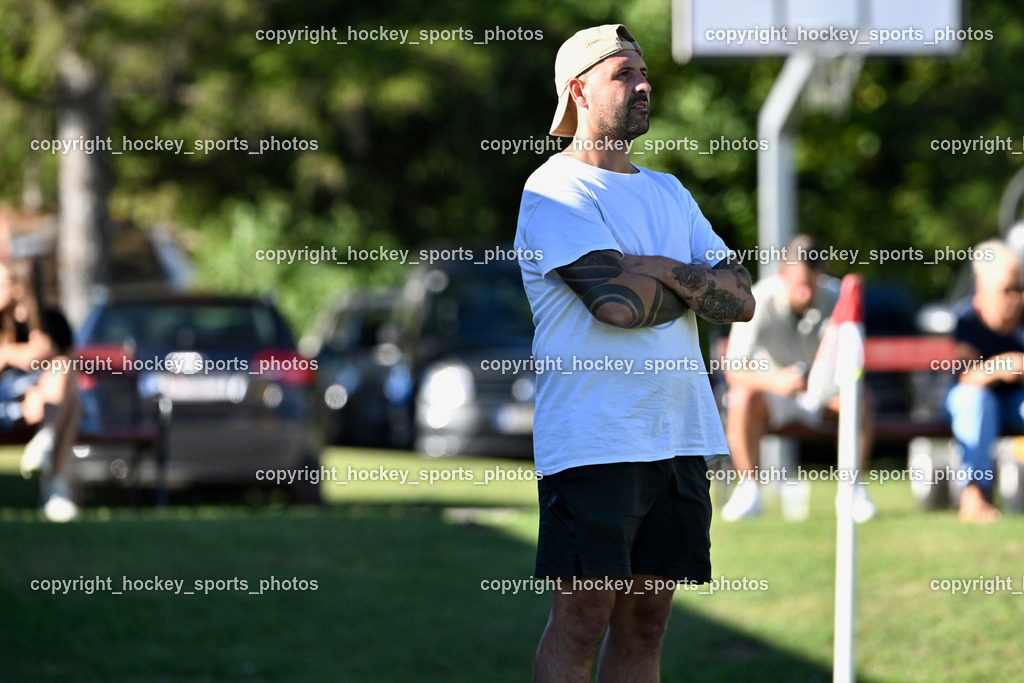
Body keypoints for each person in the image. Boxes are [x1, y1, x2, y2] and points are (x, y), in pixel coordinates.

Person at [514, 24, 754, 682]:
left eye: (645, 74)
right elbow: (615, 306)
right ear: (579, 91)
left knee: (648, 620)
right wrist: (690, 282)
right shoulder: (554, 190)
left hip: (677, 435)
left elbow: (741, 298)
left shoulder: (671, 192)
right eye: (624, 75)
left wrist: (656, 268)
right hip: (594, 441)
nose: (644, 85)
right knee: (583, 615)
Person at [719, 235, 876, 523]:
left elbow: (854, 363)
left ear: (822, 275)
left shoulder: (840, 299)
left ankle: (852, 491)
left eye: (812, 284)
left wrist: (829, 381)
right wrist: (775, 381)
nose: (805, 293)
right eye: (799, 285)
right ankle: (749, 490)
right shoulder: (759, 299)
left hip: (825, 393)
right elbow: (734, 368)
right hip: (774, 394)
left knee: (859, 400)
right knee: (741, 397)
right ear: (783, 274)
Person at [944, 240, 1024, 523]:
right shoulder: (966, 321)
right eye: (1007, 291)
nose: (1015, 298)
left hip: (1016, 402)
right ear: (983, 290)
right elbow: (966, 377)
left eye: (1019, 289)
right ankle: (974, 495)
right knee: (976, 401)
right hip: (971, 402)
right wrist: (1002, 365)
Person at [2, 260, 82, 521]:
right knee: (71, 406)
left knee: (62, 367)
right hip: (10, 402)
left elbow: (68, 365)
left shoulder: (52, 320)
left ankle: (44, 444)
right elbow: (35, 354)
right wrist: (14, 353)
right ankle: (55, 492)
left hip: (42, 402)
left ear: (17, 288)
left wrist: (38, 388)